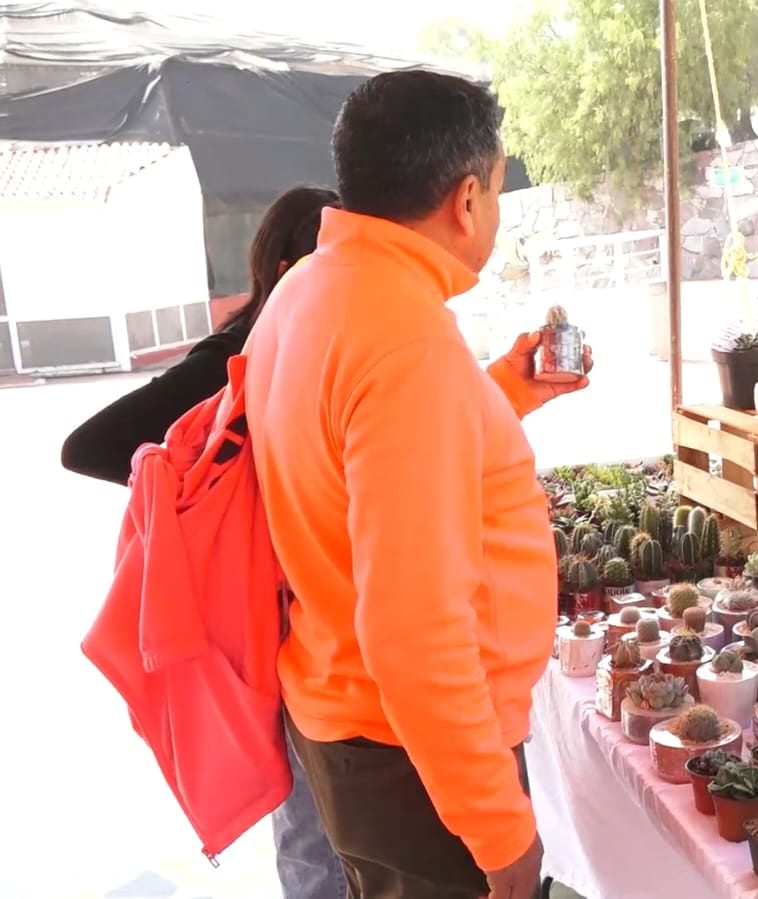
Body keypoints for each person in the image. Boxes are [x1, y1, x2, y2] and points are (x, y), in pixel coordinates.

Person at [244, 69, 587, 899]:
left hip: (355, 721)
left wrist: (504, 390)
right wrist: (497, 828)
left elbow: (354, 456)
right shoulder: (405, 340)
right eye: (498, 192)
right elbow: (413, 627)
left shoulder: (308, 290)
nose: (494, 216)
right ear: (466, 199)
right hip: (411, 756)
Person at [60, 185, 349, 899]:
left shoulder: (325, 348)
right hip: (267, 620)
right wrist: (191, 494)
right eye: (334, 261)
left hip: (319, 617)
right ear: (286, 270)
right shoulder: (234, 358)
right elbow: (87, 446)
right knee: (312, 833)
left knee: (335, 821)